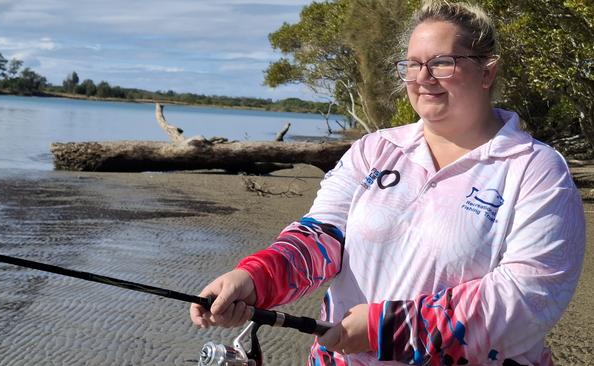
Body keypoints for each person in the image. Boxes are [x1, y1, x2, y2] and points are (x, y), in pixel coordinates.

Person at [190, 2, 586, 365]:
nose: (423, 78)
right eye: (412, 65)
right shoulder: (375, 150)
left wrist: (388, 328)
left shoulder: (537, 171)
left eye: (442, 62)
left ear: (488, 71)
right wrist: (256, 277)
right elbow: (321, 236)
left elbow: (529, 297)